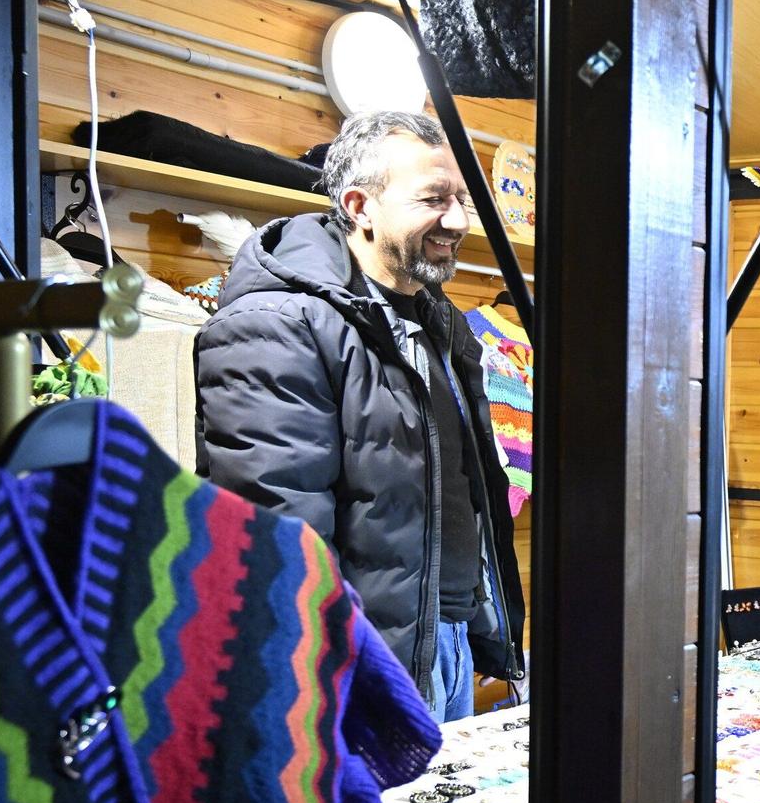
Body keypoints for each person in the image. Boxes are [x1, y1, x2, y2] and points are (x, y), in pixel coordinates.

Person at [196, 110, 524, 718]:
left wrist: (486, 628)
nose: (456, 220)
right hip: (359, 669)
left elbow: (460, 495)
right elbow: (281, 536)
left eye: (461, 199)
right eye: (433, 198)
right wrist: (330, 690)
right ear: (360, 205)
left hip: (440, 639)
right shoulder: (274, 327)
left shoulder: (437, 320)